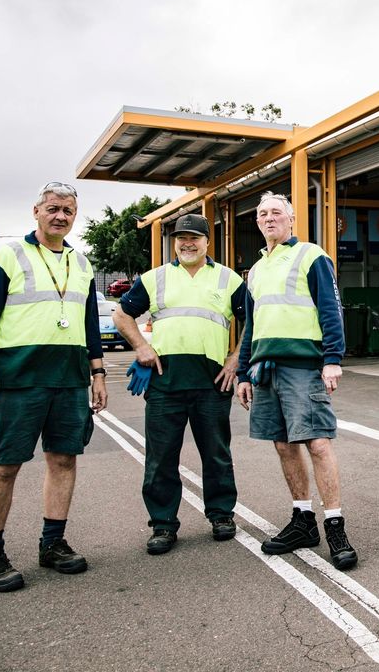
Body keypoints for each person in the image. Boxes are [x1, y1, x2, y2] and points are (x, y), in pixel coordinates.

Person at [0, 182, 107, 592]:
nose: (60, 216)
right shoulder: (10, 256)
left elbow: (88, 326)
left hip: (69, 380)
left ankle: (53, 543)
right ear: (36, 211)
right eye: (53, 209)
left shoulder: (82, 263)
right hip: (19, 380)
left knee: (63, 461)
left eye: (68, 211)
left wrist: (98, 374)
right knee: (5, 465)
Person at [112, 213, 247, 555]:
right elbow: (121, 314)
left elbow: (252, 319)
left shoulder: (228, 280)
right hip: (164, 383)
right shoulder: (155, 278)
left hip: (212, 382)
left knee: (216, 454)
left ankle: (221, 515)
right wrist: (141, 347)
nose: (187, 243)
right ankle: (162, 524)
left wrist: (236, 358)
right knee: (160, 458)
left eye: (194, 238)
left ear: (207, 242)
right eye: (181, 238)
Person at [235, 191, 356, 570]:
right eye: (262, 214)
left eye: (276, 212)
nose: (268, 218)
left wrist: (332, 359)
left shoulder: (311, 256)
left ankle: (335, 526)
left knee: (317, 444)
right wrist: (243, 372)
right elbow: (251, 326)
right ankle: (303, 520)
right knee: (284, 445)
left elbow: (331, 309)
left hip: (304, 366)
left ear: (291, 220)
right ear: (257, 223)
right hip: (265, 368)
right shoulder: (256, 271)